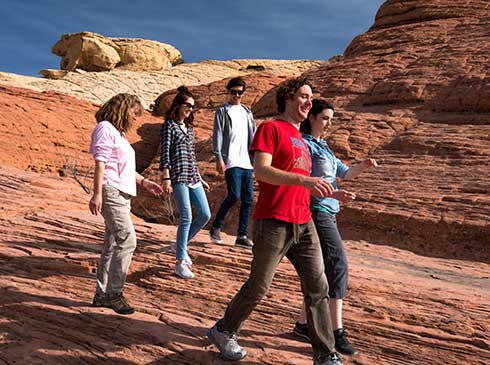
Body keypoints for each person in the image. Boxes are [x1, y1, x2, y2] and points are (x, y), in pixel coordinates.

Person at [207, 77, 344, 365]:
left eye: (310, 97)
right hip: (274, 220)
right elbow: (262, 171)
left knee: (318, 287)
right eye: (304, 96)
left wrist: (334, 191)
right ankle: (223, 330)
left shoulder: (303, 142)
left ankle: (325, 354)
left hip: (304, 222)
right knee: (259, 286)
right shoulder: (271, 128)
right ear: (288, 99)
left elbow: (305, 184)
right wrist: (304, 180)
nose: (309, 102)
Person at [294, 98, 378, 356]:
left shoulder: (325, 147)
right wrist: (334, 194)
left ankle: (303, 324)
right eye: (325, 118)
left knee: (318, 269)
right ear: (312, 118)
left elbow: (344, 174)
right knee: (337, 264)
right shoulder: (304, 145)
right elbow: (306, 179)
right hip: (316, 210)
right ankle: (335, 330)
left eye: (331, 118)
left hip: (329, 211)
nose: (330, 123)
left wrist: (363, 166)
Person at [89, 93, 163, 315]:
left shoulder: (118, 135)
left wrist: (145, 182)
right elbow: (100, 162)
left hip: (123, 193)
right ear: (123, 109)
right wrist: (97, 193)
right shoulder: (105, 128)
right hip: (111, 190)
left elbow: (126, 169)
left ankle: (102, 295)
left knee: (112, 244)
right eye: (134, 113)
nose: (135, 118)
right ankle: (114, 293)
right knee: (127, 240)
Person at [159, 86, 211, 280]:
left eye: (192, 107)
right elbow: (165, 152)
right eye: (187, 105)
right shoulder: (169, 126)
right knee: (187, 216)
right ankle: (180, 261)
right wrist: (165, 177)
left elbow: (192, 155)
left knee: (205, 214)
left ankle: (181, 246)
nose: (190, 109)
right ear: (178, 106)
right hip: (178, 175)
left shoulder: (189, 129)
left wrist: (200, 177)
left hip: (193, 176)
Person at [209, 77, 256, 248]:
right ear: (228, 92)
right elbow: (218, 134)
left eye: (239, 92)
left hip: (247, 161)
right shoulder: (223, 111)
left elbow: (254, 134)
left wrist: (257, 158)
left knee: (248, 199)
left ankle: (241, 236)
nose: (236, 95)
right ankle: (216, 227)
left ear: (243, 93)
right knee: (234, 195)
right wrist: (219, 158)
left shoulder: (247, 112)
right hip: (231, 159)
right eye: (233, 92)